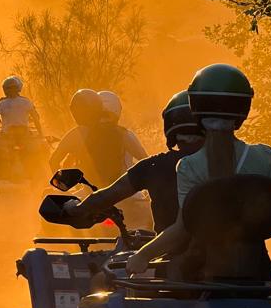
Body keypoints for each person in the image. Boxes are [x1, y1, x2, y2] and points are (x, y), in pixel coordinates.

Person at [126, 64, 271, 277]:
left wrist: (142, 255)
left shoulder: (189, 166)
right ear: (243, 110)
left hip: (206, 274)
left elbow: (182, 229)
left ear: (195, 108)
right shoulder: (265, 156)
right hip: (258, 272)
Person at [63, 90, 204, 233]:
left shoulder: (154, 166)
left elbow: (109, 194)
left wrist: (76, 209)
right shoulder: (224, 161)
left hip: (167, 251)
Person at [49, 89, 146, 187]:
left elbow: (53, 161)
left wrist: (63, 187)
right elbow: (146, 160)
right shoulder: (123, 133)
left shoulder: (77, 134)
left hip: (90, 193)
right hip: (123, 190)